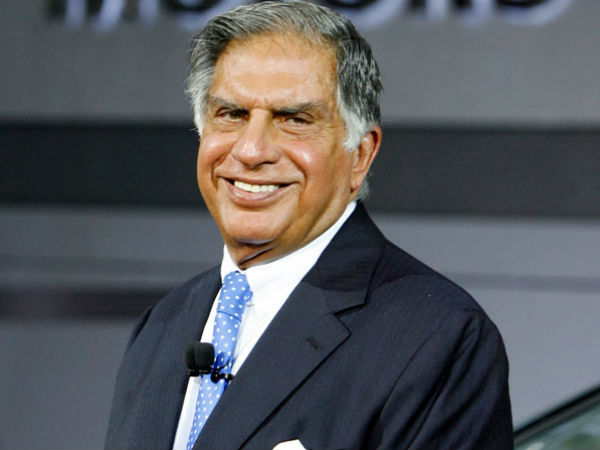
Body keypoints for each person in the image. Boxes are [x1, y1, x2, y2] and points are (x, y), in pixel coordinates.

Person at [105, 1, 513, 449]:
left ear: (360, 155)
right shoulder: (161, 326)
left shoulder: (439, 339)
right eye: (232, 114)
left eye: (294, 120)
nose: (251, 151)